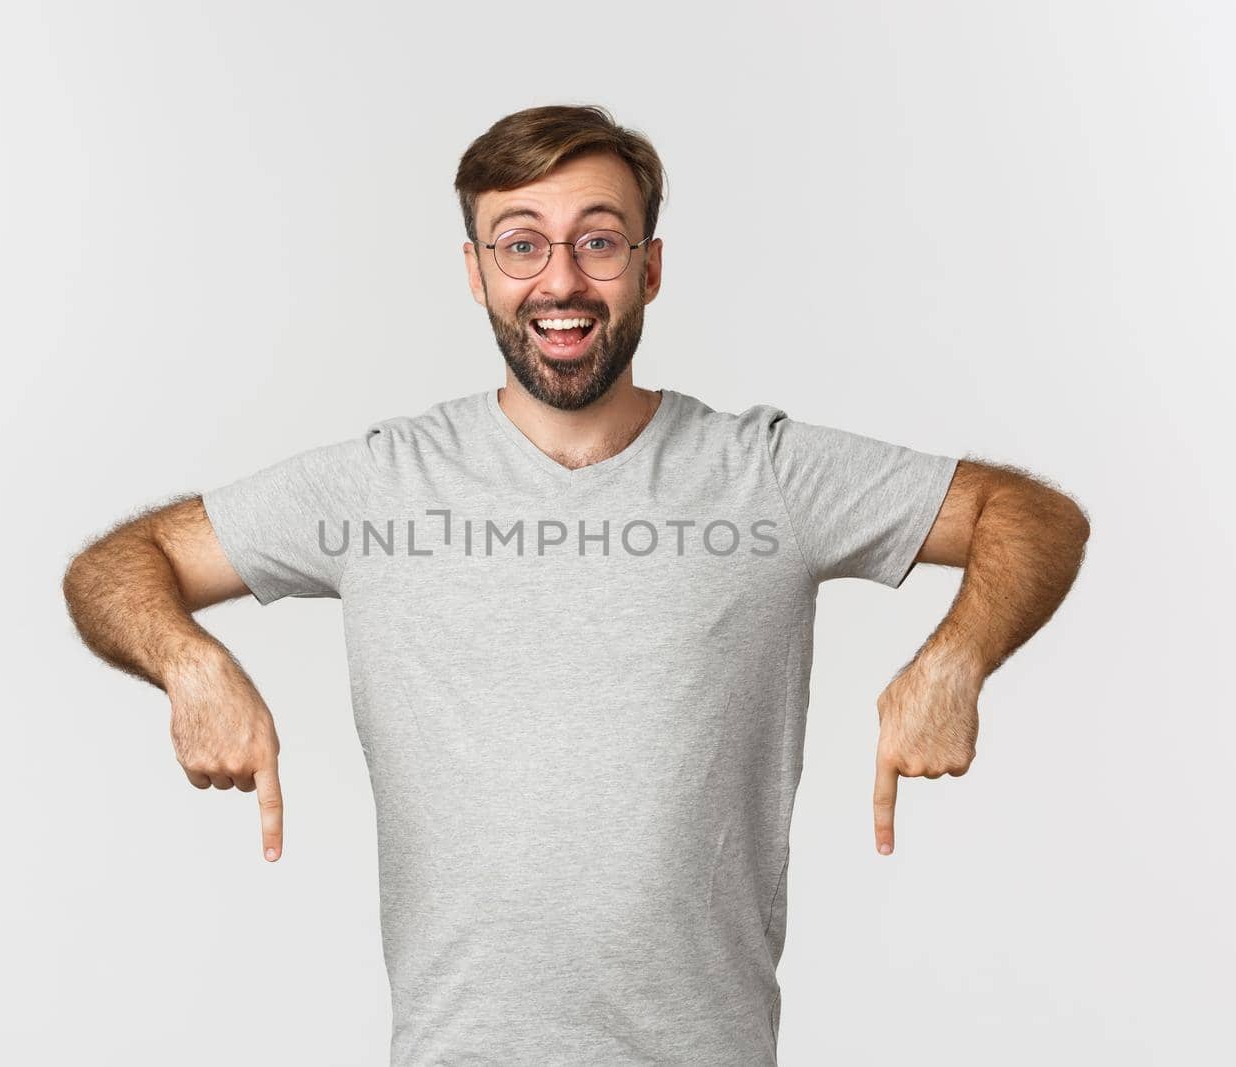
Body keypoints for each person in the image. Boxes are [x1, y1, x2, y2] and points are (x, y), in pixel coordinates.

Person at [62, 103, 1090, 1065]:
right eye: (521, 243)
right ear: (476, 271)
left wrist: (955, 655)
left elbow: (1030, 516)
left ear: (647, 267)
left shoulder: (767, 475)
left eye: (598, 240)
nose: (560, 278)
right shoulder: (381, 482)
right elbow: (118, 566)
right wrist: (189, 661)